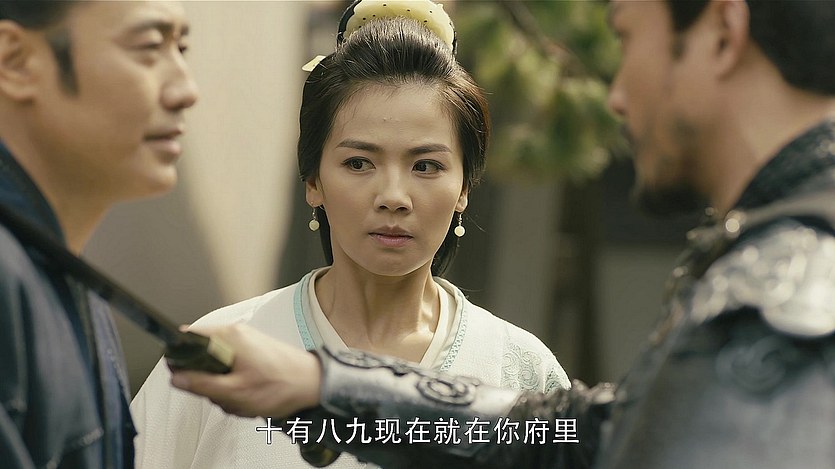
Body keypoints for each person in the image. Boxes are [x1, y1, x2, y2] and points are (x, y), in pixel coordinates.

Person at [170, 0, 835, 467]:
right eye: (359, 162)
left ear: (721, 34)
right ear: (312, 177)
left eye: (628, 37)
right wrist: (329, 385)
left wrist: (330, 386)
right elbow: (587, 437)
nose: (614, 96)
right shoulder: (772, 259)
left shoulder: (797, 285)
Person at [132, 3, 569, 468]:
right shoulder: (223, 354)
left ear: (464, 188)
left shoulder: (518, 371)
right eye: (359, 163)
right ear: (313, 181)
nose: (393, 197)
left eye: (426, 166)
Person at [0, 1, 198, 468]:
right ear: (16, 61)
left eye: (182, 48)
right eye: (149, 46)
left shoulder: (58, 266)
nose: (186, 90)